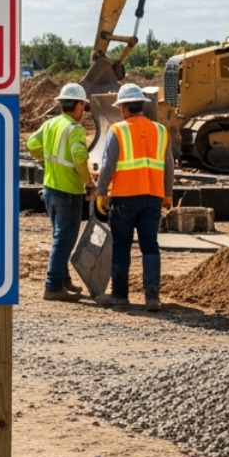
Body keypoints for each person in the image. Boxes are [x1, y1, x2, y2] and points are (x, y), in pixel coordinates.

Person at [94, 83, 175, 312]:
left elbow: (108, 165)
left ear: (123, 108)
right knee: (150, 247)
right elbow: (169, 166)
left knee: (121, 247)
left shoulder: (118, 130)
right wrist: (168, 194)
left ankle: (120, 295)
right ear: (141, 106)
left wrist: (101, 192)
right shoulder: (160, 131)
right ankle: (152, 297)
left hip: (124, 198)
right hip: (153, 198)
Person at [26, 82, 94, 301]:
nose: (83, 111)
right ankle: (53, 285)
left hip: (50, 188)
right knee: (64, 239)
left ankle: (63, 280)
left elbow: (31, 144)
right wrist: (89, 182)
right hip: (68, 191)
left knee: (59, 236)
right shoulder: (75, 129)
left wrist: (46, 161)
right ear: (77, 105)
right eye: (83, 106)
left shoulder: (50, 124)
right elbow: (79, 157)